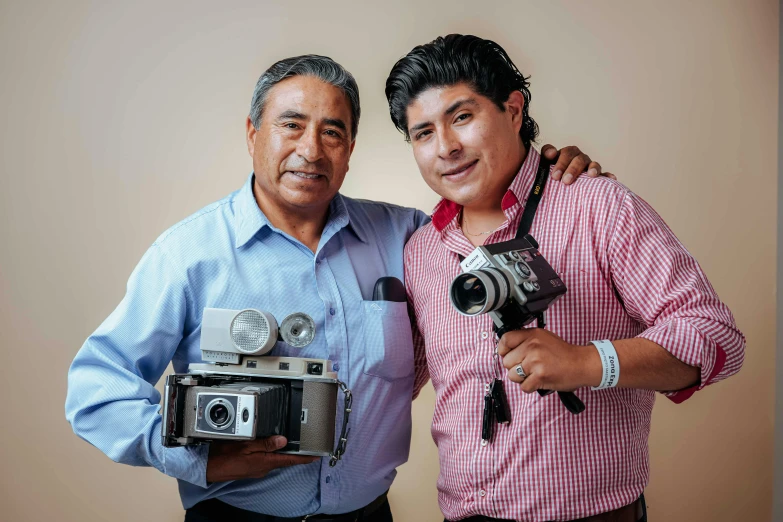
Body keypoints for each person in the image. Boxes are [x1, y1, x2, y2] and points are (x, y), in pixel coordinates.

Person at [65, 54, 602, 521]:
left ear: (350, 149)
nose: (312, 150)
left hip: (370, 515)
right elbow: (96, 390)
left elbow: (489, 210)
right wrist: (198, 460)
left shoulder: (408, 238)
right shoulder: (189, 254)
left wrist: (543, 169)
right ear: (253, 134)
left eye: (332, 131)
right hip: (236, 517)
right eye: (291, 125)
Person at [386, 34, 746, 522]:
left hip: (590, 514)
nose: (446, 147)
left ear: (513, 110)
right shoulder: (422, 251)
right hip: (462, 513)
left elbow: (715, 336)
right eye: (423, 133)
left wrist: (586, 362)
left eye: (462, 117)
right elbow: (394, 380)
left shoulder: (596, 206)